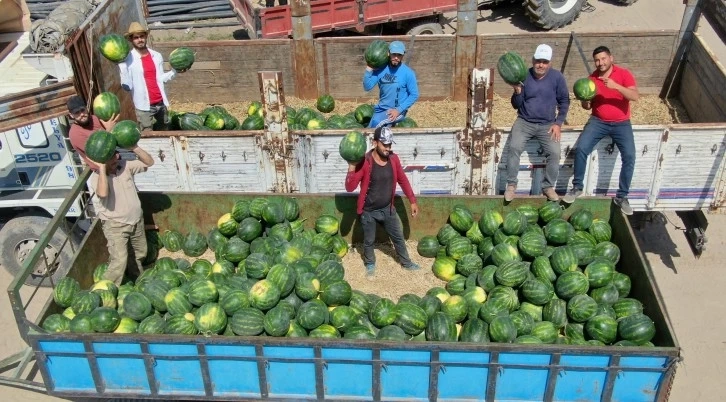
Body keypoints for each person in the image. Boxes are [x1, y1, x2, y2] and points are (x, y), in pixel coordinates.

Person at [562, 45, 639, 215]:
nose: (600, 62)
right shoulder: (591, 80)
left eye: (603, 58)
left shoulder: (623, 74)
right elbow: (586, 106)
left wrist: (615, 86)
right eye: (597, 60)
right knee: (581, 149)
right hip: (599, 121)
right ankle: (577, 187)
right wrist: (584, 100)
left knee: (630, 156)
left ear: (611, 58)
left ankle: (622, 196)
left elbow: (635, 96)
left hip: (622, 123)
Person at [345, 126, 420, 276]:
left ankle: (406, 263)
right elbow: (350, 187)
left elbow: (403, 180)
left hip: (388, 208)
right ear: (375, 143)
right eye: (384, 144)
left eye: (389, 144)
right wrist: (352, 166)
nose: (387, 148)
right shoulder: (365, 161)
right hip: (369, 211)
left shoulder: (393, 159)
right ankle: (370, 264)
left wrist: (412, 200)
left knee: (398, 237)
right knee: (369, 240)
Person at [504, 44, 570, 202]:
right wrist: (517, 92)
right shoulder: (523, 75)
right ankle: (511, 185)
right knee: (514, 148)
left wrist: (558, 123)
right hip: (524, 121)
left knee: (554, 153)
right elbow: (516, 104)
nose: (541, 65)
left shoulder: (557, 78)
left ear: (550, 63)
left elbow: (564, 101)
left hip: (548, 124)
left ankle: (548, 187)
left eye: (544, 62)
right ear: (533, 60)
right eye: (538, 61)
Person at [87, 147, 154, 285]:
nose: (116, 158)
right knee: (119, 262)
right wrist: (102, 169)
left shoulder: (125, 166)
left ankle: (136, 279)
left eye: (116, 154)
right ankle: (104, 291)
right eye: (111, 157)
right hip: (115, 225)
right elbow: (103, 193)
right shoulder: (96, 178)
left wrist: (134, 147)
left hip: (136, 220)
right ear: (101, 161)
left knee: (140, 253)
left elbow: (149, 163)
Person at [119, 21, 183, 131]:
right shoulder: (128, 59)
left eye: (142, 36)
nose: (140, 40)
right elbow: (127, 87)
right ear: (131, 40)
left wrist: (175, 71)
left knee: (164, 129)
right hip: (143, 105)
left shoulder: (156, 56)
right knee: (147, 132)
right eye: (136, 37)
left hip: (160, 101)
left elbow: (161, 78)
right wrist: (122, 67)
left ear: (146, 36)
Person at [363, 41, 419, 128]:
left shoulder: (408, 73)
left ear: (403, 55)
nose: (396, 57)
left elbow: (414, 95)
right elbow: (367, 87)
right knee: (368, 130)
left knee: (375, 127)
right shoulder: (380, 69)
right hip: (381, 108)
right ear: (388, 53)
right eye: (394, 54)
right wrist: (369, 69)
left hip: (396, 111)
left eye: (399, 55)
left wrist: (398, 110)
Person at [67, 95, 118, 171]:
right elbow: (98, 152)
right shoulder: (75, 134)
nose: (81, 114)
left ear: (86, 108)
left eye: (82, 110)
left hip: (116, 159)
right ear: (71, 115)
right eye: (77, 113)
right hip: (104, 170)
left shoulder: (94, 118)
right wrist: (108, 130)